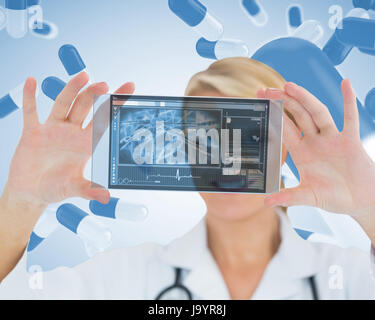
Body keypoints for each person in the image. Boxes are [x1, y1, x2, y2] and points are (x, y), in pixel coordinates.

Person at [1, 57, 375, 300]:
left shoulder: (348, 277)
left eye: (248, 134)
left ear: (287, 148)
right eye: (203, 136)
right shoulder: (126, 279)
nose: (226, 160)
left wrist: (370, 205)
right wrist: (21, 202)